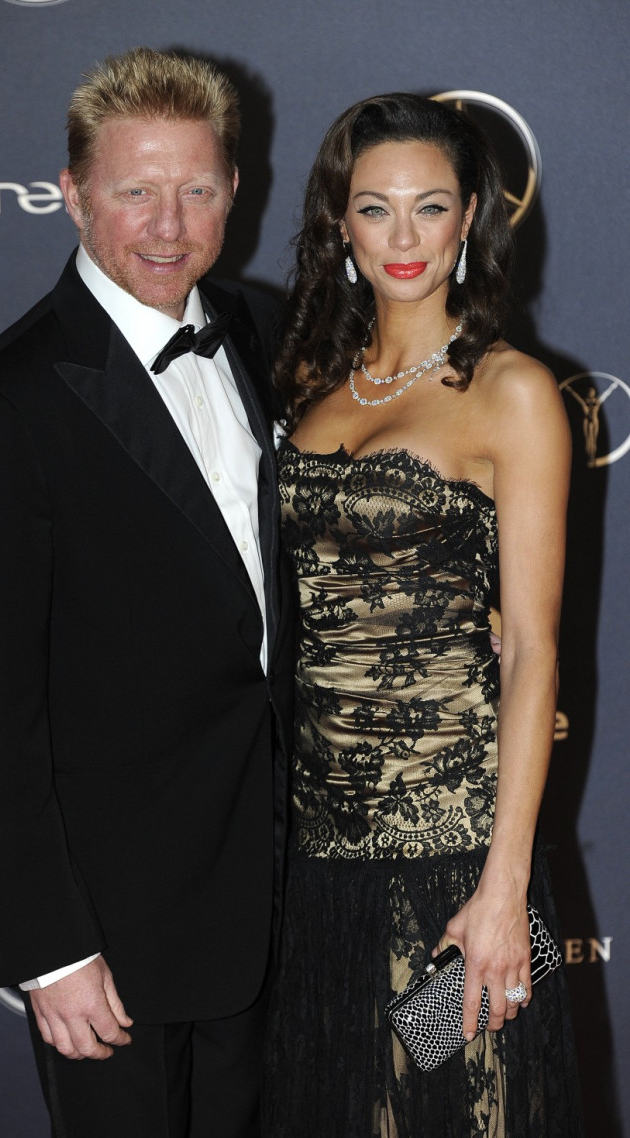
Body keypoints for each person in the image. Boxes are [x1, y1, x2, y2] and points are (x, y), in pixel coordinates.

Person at [0, 46, 294, 1138]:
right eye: (135, 190)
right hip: (114, 937)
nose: (168, 224)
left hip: (275, 899)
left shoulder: (262, 332)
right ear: (74, 195)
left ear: (234, 190)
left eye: (196, 188)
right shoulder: (6, 405)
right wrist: (51, 947)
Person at [263, 94, 582, 1137]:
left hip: (454, 857)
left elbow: (533, 648)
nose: (403, 238)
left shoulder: (511, 392)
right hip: (316, 861)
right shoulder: (308, 381)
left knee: (447, 1108)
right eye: (374, 209)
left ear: (470, 218)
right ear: (337, 224)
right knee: (342, 1109)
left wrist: (505, 888)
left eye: (429, 208)